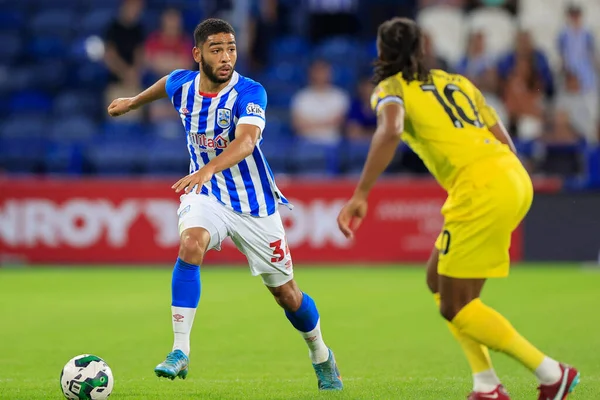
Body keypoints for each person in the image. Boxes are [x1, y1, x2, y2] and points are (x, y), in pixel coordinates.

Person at [336, 17, 580, 400]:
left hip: (479, 187)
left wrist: (361, 192)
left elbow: (391, 129)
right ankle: (486, 384)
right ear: (422, 49)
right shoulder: (459, 82)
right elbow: (504, 138)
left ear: (381, 53)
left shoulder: (391, 88)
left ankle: (551, 372)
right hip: (512, 176)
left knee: (453, 304)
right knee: (443, 285)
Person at [107, 18, 342, 391]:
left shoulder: (250, 92)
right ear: (197, 54)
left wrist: (208, 168)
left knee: (286, 294)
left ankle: (321, 354)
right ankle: (179, 351)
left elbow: (247, 142)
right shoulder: (182, 83)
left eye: (231, 48)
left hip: (253, 204)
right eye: (216, 49)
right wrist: (132, 102)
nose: (226, 56)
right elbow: (165, 84)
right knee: (190, 243)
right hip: (208, 195)